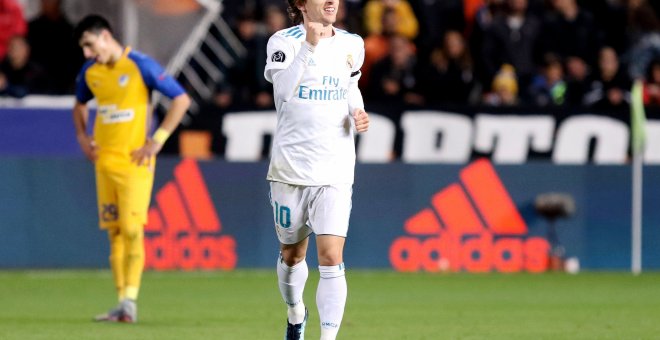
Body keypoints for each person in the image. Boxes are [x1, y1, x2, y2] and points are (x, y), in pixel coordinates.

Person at [71, 14, 190, 323]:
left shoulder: (140, 65)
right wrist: (83, 136)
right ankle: (121, 302)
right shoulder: (91, 71)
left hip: (135, 162)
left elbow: (180, 99)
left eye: (89, 44)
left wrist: (158, 140)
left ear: (105, 36)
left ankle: (130, 301)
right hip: (104, 162)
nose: (86, 53)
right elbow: (79, 104)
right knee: (114, 234)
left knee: (133, 229)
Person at [263, 1, 369, 339]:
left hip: (335, 167)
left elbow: (350, 86)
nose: (332, 1)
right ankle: (296, 314)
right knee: (292, 256)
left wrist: (357, 110)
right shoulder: (283, 41)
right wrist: (309, 46)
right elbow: (282, 93)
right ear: (300, 3)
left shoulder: (353, 44)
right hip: (290, 169)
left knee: (330, 255)